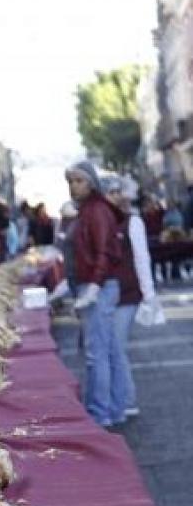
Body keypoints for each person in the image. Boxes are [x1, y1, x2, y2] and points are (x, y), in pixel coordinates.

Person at [65, 159, 127, 429]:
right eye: (70, 181)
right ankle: (114, 408)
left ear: (91, 183)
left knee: (97, 354)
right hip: (98, 284)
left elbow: (105, 251)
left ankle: (99, 413)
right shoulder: (88, 210)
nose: (73, 186)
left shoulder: (97, 210)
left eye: (79, 181)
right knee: (108, 350)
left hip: (97, 286)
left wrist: (93, 286)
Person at [103, 175, 157, 420]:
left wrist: (149, 295)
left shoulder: (132, 222)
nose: (114, 196)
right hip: (107, 295)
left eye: (117, 191)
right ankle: (118, 399)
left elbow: (142, 258)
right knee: (111, 348)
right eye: (109, 192)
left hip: (127, 294)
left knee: (116, 347)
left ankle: (126, 400)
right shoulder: (103, 221)